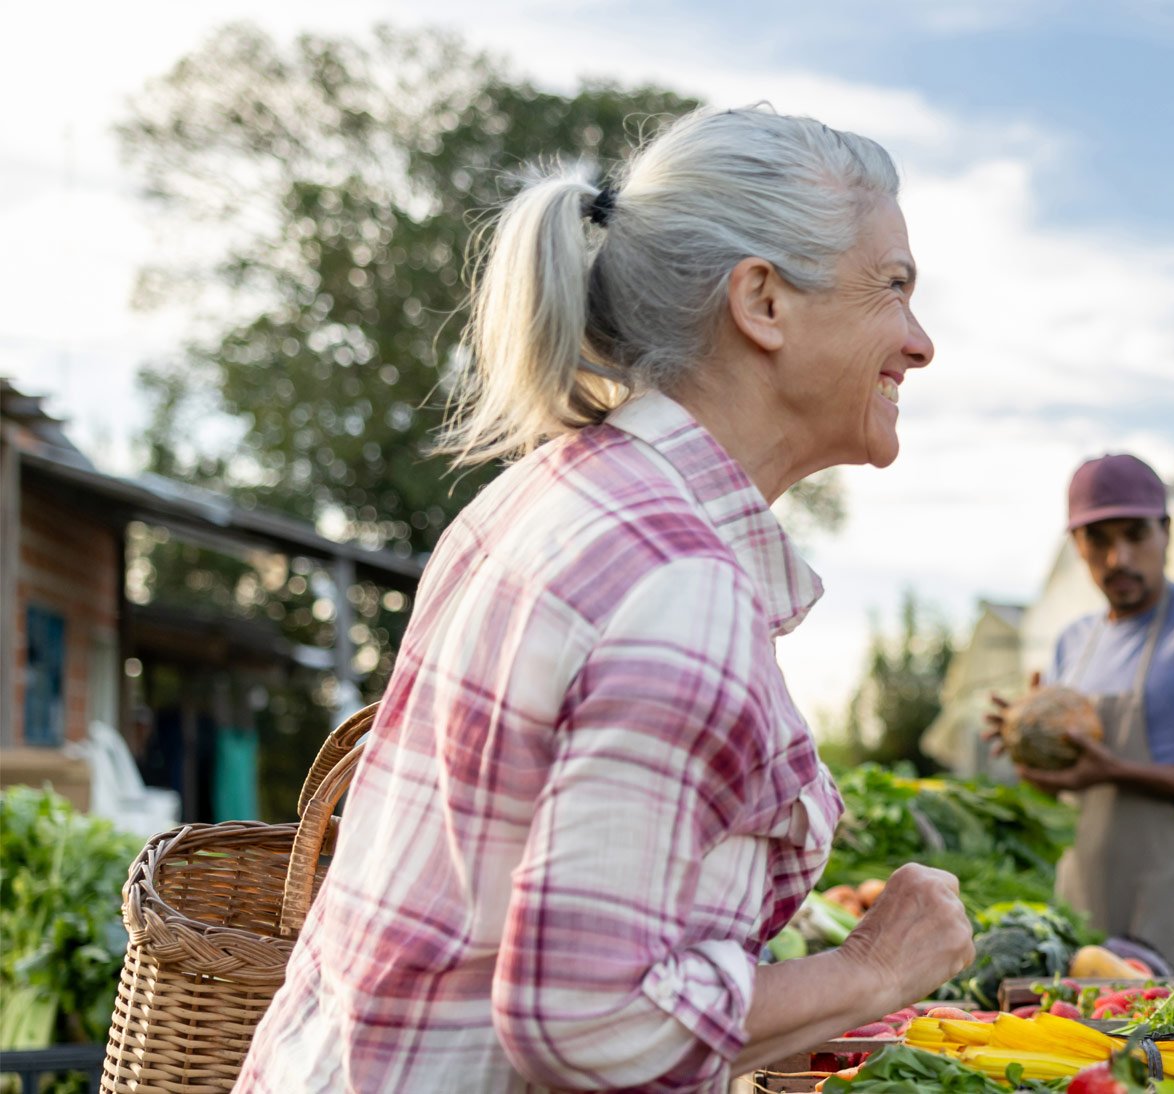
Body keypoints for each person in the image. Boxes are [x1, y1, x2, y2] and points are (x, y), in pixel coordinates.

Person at [238, 105, 975, 1093]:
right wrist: (871, 969)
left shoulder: (551, 495)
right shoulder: (679, 581)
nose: (919, 341)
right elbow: (590, 1024)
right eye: (893, 287)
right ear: (761, 300)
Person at [988, 454, 1174, 975]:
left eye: (1135, 534)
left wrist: (1119, 771)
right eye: (1097, 539)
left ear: (1166, 532)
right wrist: (1025, 748)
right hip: (1087, 895)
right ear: (1075, 544)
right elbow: (1062, 789)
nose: (1117, 557)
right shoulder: (1074, 643)